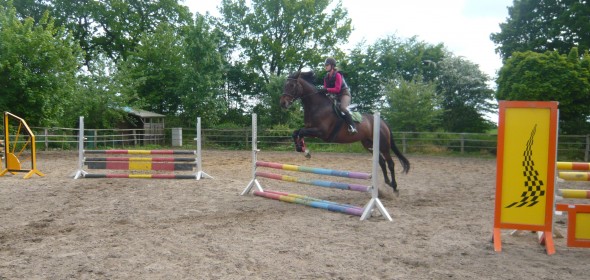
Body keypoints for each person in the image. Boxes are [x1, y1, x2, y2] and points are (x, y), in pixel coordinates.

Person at [318, 57, 357, 134]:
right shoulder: (326, 77)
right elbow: (325, 89)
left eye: (327, 65)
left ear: (332, 66)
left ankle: (353, 126)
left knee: (342, 108)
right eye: (325, 65)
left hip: (344, 94)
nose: (325, 66)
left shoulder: (338, 75)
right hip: (335, 96)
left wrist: (326, 90)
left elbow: (337, 89)